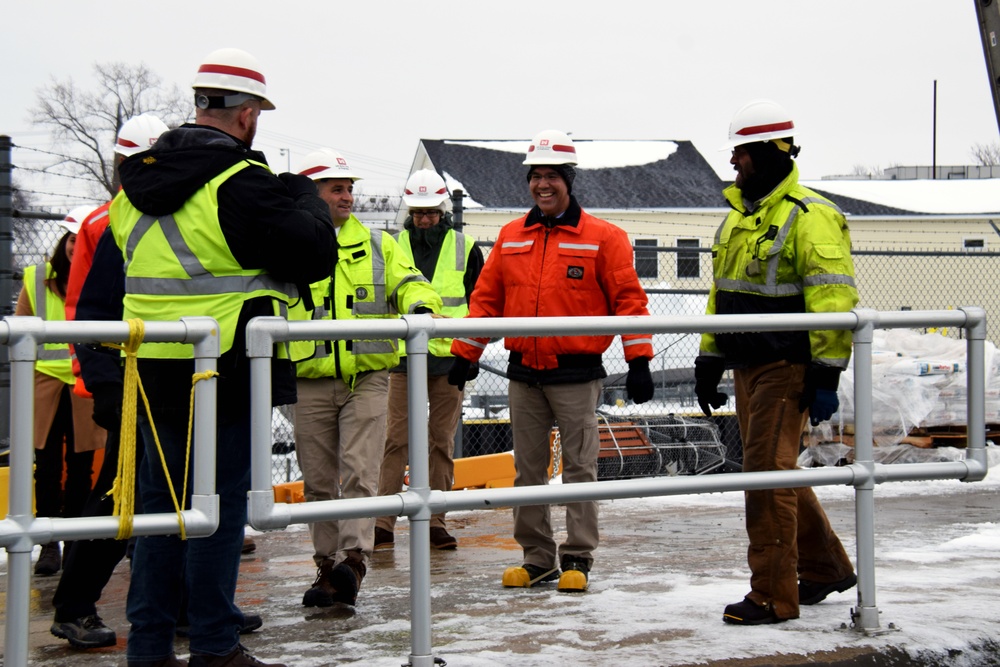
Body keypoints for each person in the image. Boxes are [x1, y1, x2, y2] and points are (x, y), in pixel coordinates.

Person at [85, 47, 337, 667]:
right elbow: (315, 254)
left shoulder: (129, 192)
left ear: (199, 104)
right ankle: (215, 645)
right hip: (223, 369)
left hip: (152, 372)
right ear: (248, 115)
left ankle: (148, 647)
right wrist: (300, 197)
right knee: (217, 511)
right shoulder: (239, 184)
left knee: (157, 511)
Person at [449, 130, 655, 593]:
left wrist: (638, 358)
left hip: (576, 375)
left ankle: (578, 555)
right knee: (528, 469)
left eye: (552, 177)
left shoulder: (605, 238)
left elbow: (629, 301)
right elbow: (485, 301)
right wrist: (466, 353)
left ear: (568, 180)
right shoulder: (511, 237)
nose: (543, 185)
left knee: (580, 467)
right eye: (535, 177)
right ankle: (537, 558)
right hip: (525, 373)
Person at [694, 99, 858, 626]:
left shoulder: (811, 216)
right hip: (747, 366)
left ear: (770, 153)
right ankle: (825, 566)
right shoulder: (739, 220)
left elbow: (833, 299)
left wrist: (826, 372)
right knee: (775, 471)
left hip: (787, 367)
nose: (734, 163)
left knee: (765, 476)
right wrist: (709, 360)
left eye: (741, 153)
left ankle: (772, 596)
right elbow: (721, 296)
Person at [289, 149, 442, 608]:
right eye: (337, 188)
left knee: (360, 469)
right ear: (314, 194)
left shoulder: (379, 244)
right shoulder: (291, 245)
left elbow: (409, 281)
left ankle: (353, 560)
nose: (348, 196)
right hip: (309, 378)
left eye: (350, 188)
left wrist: (419, 305)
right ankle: (326, 567)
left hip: (368, 376)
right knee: (317, 480)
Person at [374, 169, 484, 552]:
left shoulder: (465, 247)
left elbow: (482, 306)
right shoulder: (393, 245)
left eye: (431, 212)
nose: (424, 218)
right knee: (395, 440)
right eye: (419, 212)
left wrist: (472, 352)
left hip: (449, 360)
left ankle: (436, 520)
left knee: (441, 441)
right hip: (404, 359)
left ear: (442, 210)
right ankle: (382, 523)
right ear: (410, 210)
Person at [17, 205, 107, 577]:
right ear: (64, 241)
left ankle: (73, 539)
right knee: (48, 466)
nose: (74, 247)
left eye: (78, 240)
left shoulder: (96, 277)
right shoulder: (38, 279)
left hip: (82, 383)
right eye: (70, 239)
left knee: (82, 466)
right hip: (46, 387)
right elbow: (20, 329)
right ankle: (49, 543)